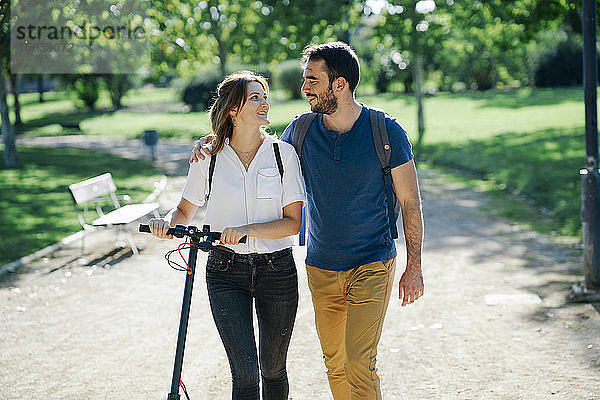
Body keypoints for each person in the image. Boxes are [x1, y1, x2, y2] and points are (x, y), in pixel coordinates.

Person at [191, 42, 424, 400]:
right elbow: (258, 146)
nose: (304, 88)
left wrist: (414, 266)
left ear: (340, 85)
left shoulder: (386, 132)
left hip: (373, 261)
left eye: (313, 79)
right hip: (321, 267)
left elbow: (409, 201)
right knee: (335, 363)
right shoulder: (300, 132)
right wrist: (214, 141)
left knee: (360, 363)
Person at [149, 71, 306, 400]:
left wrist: (248, 231)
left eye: (265, 97)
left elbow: (293, 223)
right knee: (246, 373)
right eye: (255, 98)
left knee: (273, 368)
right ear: (233, 110)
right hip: (225, 272)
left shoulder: (282, 154)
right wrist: (166, 222)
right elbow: (184, 211)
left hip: (277, 271)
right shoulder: (208, 156)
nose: (265, 103)